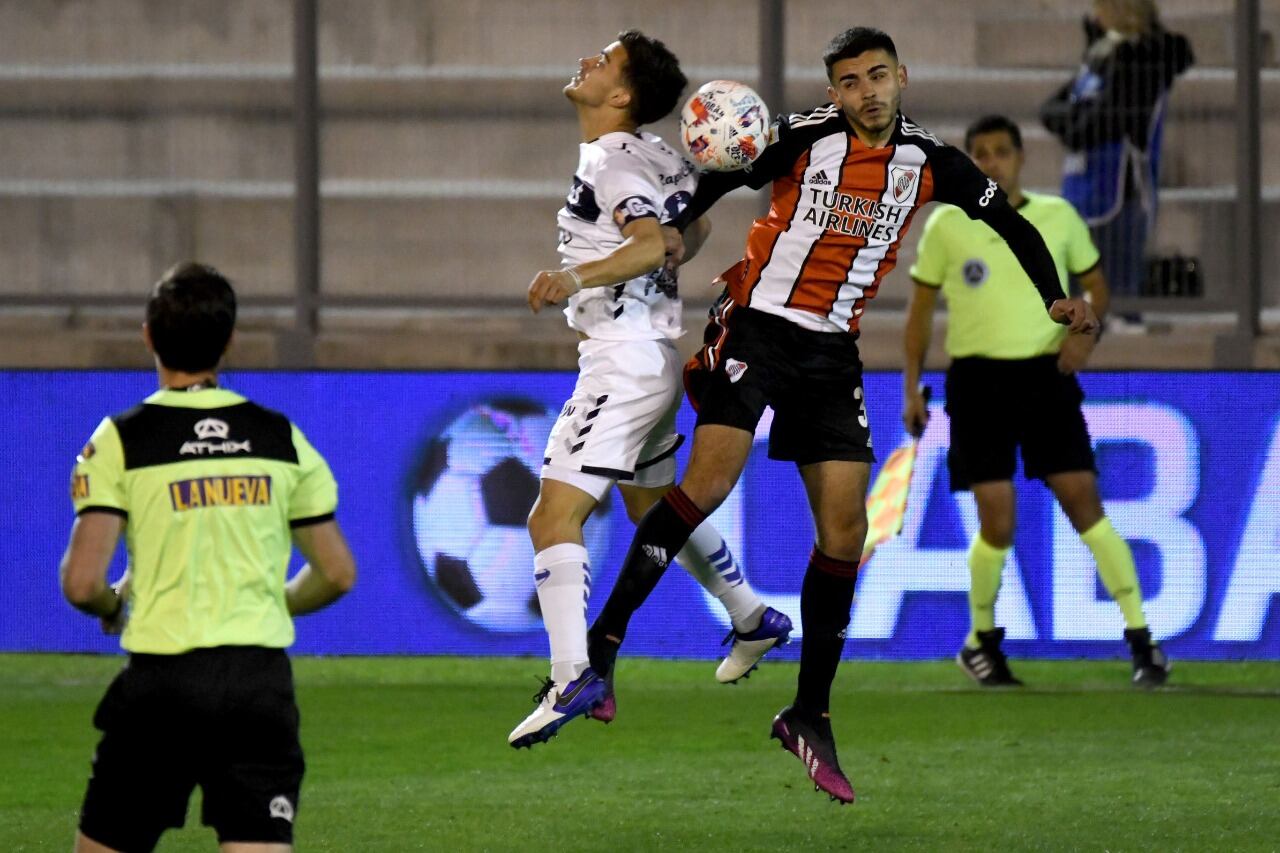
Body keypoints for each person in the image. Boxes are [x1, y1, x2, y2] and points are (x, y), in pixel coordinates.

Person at [583, 27, 1098, 804]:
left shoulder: (934, 162)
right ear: (833, 92)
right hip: (757, 320)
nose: (867, 92)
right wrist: (672, 231)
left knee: (846, 533)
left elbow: (1012, 225)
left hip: (832, 351)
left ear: (902, 77)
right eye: (850, 81)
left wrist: (1052, 293)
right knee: (710, 482)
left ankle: (808, 712)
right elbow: (719, 181)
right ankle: (601, 647)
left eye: (878, 76)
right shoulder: (801, 135)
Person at [508, 30, 792, 751]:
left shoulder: (611, 158)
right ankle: (751, 613)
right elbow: (685, 236)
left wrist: (570, 276)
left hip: (621, 358)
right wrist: (660, 241)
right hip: (656, 356)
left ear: (623, 95)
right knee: (651, 505)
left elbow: (646, 242)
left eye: (602, 61)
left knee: (552, 518)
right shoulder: (661, 157)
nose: (586, 61)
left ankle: (572, 674)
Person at [61, 263, 356, 852]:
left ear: (148, 335)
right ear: (229, 341)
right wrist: (277, 602)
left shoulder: (120, 439)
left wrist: (112, 604)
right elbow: (337, 572)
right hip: (258, 683)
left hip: (161, 685)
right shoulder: (280, 438)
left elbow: (81, 582)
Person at [904, 114, 1172, 689]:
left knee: (1085, 505)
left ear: (1021, 158)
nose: (991, 161)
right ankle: (982, 641)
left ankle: (1142, 640)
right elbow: (921, 311)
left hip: (1044, 379)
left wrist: (1084, 333)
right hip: (975, 382)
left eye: (1001, 151)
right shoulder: (948, 224)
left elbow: (1096, 285)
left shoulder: (1058, 216)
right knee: (997, 520)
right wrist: (910, 385)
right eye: (980, 152)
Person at [1041, 0, 1193, 307]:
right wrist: (1078, 118)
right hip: (1080, 189)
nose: (1094, 17)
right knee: (1072, 300)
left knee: (1116, 299)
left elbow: (1106, 121)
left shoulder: (1143, 60)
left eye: (1101, 9)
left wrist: (1076, 123)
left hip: (1120, 192)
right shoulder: (1099, 57)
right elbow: (1050, 109)